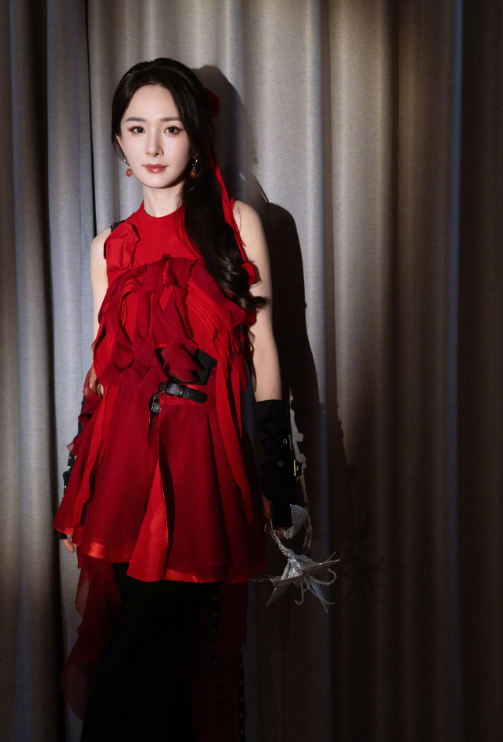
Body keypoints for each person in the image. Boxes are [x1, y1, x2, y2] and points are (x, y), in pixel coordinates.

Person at [54, 58, 298, 741]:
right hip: (122, 472)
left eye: (171, 128)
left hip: (198, 468)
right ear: (119, 142)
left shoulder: (237, 224)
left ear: (195, 137)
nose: (154, 146)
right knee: (132, 664)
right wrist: (80, 481)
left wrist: (278, 474)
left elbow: (264, 351)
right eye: (137, 129)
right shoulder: (108, 248)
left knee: (161, 659)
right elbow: (103, 372)